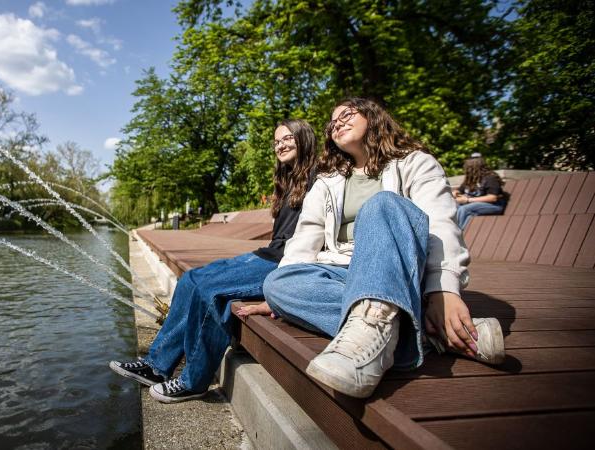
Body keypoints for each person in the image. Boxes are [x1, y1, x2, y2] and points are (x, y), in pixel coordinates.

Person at [238, 98, 505, 399]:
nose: (336, 123)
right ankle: (421, 332)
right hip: (342, 270)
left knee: (381, 205)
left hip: (399, 268)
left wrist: (443, 291)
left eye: (346, 115)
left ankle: (371, 343)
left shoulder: (415, 162)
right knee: (276, 282)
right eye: (332, 121)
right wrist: (278, 299)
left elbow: (441, 226)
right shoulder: (327, 182)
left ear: (374, 118)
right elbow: (304, 241)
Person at [109, 119, 319, 403]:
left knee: (212, 292)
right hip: (267, 254)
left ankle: (193, 381)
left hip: (285, 264)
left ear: (304, 139)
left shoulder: (320, 177)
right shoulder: (287, 179)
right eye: (276, 141)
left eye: (287, 139)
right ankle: (156, 366)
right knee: (191, 279)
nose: (279, 145)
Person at [453, 154, 506, 229]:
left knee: (464, 209)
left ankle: (457, 234)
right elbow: (460, 190)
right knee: (453, 206)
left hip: (494, 205)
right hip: (475, 204)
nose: (466, 169)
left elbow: (492, 198)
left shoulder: (490, 178)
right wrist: (455, 193)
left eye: (468, 168)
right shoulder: (471, 179)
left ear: (474, 168)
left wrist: (468, 200)